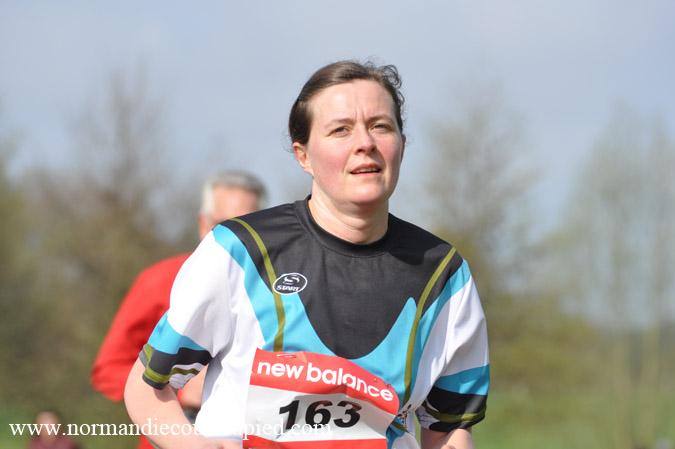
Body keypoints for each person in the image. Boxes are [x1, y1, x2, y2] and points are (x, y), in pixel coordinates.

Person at [124, 61, 489, 449]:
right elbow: (147, 387)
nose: (365, 143)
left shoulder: (444, 274)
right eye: (341, 129)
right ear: (303, 156)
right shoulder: (238, 250)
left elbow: (448, 428)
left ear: (401, 143)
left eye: (381, 126)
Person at [91, 171, 265, 449]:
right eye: (224, 225)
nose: (236, 237)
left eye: (248, 226)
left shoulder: (285, 289)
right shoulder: (159, 280)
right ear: (203, 224)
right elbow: (108, 369)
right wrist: (176, 389)